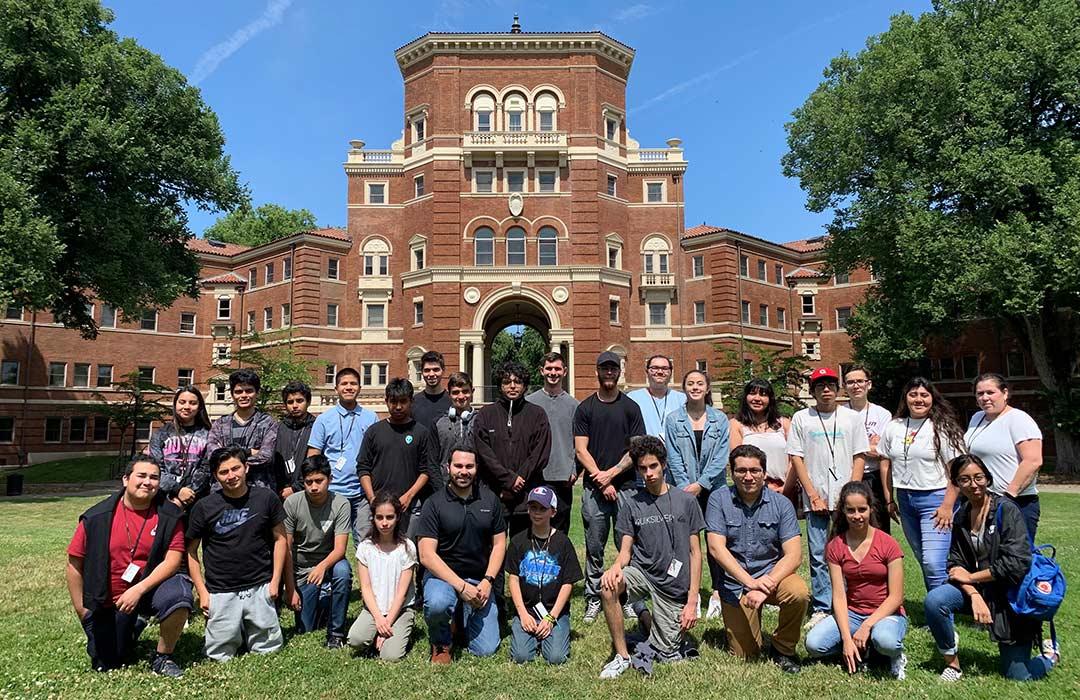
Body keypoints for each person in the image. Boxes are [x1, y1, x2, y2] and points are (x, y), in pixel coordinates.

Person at [924, 454, 1059, 682]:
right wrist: (974, 594)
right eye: (964, 479)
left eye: (978, 477)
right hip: (980, 589)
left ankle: (1050, 655)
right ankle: (953, 666)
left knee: (1019, 676)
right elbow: (955, 564)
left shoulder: (1006, 510)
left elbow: (1016, 564)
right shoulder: (962, 514)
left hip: (1011, 595)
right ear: (956, 484)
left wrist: (972, 577)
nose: (973, 484)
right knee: (936, 600)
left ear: (987, 478)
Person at [65, 455, 191, 677]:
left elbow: (173, 561)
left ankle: (162, 657)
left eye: (154, 477)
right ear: (125, 479)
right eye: (141, 475)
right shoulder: (97, 517)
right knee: (108, 661)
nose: (147, 482)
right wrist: (83, 612)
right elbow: (74, 564)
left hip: (151, 588)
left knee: (179, 597)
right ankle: (132, 625)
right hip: (112, 598)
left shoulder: (170, 515)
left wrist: (138, 589)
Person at [598, 436, 704, 678]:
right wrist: (615, 568)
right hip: (642, 573)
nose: (649, 473)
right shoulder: (632, 505)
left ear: (664, 464)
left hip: (674, 585)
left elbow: (695, 553)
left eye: (653, 466)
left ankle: (643, 613)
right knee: (608, 587)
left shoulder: (686, 501)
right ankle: (622, 656)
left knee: (668, 653)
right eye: (643, 468)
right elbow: (625, 551)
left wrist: (692, 601)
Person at [705, 444, 807, 674]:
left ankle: (783, 648)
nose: (748, 476)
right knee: (747, 654)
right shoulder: (718, 500)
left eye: (754, 470)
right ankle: (749, 627)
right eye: (741, 470)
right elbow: (715, 548)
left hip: (772, 577)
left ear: (764, 473)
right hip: (735, 584)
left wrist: (764, 585)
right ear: (731, 472)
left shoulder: (781, 504)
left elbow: (794, 555)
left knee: (798, 592)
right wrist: (750, 583)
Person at [185, 446, 287, 661]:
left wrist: (275, 581)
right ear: (215, 476)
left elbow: (280, 539)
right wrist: (203, 592)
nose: (231, 476)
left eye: (235, 468)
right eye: (224, 472)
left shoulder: (266, 498)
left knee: (269, 650)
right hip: (221, 589)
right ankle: (232, 629)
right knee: (218, 655)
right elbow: (191, 552)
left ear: (246, 467)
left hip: (260, 585)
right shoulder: (204, 507)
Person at [788, 367, 869, 627]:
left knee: (851, 551)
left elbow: (859, 456)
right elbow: (797, 458)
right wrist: (812, 495)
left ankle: (851, 601)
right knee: (820, 555)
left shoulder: (851, 418)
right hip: (817, 500)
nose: (826, 390)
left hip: (846, 500)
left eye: (830, 385)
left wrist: (851, 496)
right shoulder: (802, 418)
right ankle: (823, 606)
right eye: (820, 386)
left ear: (837, 389)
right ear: (812, 391)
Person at [805, 481, 908, 679]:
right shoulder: (836, 545)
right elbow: (839, 596)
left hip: (886, 613)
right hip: (853, 612)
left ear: (871, 509)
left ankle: (893, 653)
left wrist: (867, 626)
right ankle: (859, 648)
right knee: (813, 644)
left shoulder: (888, 544)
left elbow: (896, 597)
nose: (857, 516)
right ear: (842, 511)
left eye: (862, 509)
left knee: (885, 640)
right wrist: (846, 638)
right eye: (850, 510)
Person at [416, 445, 507, 663]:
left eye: (469, 466)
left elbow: (499, 544)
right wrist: (461, 586)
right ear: (448, 468)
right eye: (458, 466)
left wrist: (487, 581)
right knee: (438, 603)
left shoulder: (490, 500)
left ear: (477, 468)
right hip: (443, 578)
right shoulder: (434, 503)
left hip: (479, 579)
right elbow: (427, 555)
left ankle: (460, 617)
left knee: (484, 650)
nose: (463, 471)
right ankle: (441, 643)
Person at [574, 351, 646, 623]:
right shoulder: (586, 408)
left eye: (613, 368)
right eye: (604, 368)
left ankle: (626, 597)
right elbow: (581, 450)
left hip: (627, 488)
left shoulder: (630, 408)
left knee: (626, 545)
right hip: (594, 489)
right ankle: (593, 597)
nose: (609, 373)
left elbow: (636, 448)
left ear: (619, 372)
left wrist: (612, 474)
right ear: (597, 371)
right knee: (594, 547)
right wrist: (600, 479)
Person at [879, 377, 965, 592]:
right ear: (905, 398)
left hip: (935, 500)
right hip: (906, 499)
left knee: (933, 562)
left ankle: (943, 617)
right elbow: (885, 462)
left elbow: (957, 471)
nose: (919, 400)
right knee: (922, 557)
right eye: (913, 394)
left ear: (932, 399)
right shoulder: (894, 426)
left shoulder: (941, 427)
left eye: (924, 395)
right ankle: (940, 604)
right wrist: (889, 499)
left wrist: (947, 506)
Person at [664, 369, 730, 620]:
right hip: (682, 490)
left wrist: (701, 484)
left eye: (700, 383)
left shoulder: (719, 419)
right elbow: (672, 457)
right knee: (684, 543)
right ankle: (688, 592)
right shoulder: (673, 420)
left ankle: (717, 592)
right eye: (690, 383)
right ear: (684, 388)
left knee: (716, 542)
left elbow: (721, 456)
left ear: (707, 388)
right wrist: (685, 486)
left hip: (713, 490)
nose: (695, 387)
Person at [505, 486, 582, 664]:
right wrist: (523, 614)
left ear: (553, 512)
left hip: (554, 612)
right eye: (533, 508)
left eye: (542, 509)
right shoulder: (518, 541)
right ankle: (531, 635)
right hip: (527, 610)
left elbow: (567, 583)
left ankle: (550, 634)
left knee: (556, 658)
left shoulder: (563, 542)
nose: (537, 513)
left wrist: (551, 617)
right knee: (521, 657)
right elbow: (514, 578)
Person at [964, 373, 1044, 544]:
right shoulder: (977, 418)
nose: (985, 398)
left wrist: (1007, 498)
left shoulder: (1018, 419)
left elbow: (1033, 461)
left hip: (1015, 503)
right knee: (985, 558)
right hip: (981, 502)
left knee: (1015, 560)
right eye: (980, 393)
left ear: (1005, 393)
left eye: (990, 392)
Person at [475, 361, 552, 536]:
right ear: (500, 385)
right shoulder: (486, 414)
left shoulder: (537, 414)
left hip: (526, 495)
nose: (512, 386)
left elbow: (540, 453)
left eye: (517, 382)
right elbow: (483, 452)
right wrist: (508, 480)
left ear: (525, 386)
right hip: (494, 493)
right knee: (493, 549)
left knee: (523, 549)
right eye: (506, 382)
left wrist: (519, 479)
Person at [283, 456, 352, 648]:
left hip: (328, 563)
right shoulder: (292, 503)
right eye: (309, 482)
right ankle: (323, 598)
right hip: (301, 569)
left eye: (319, 481)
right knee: (306, 628)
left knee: (343, 571)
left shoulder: (341, 504)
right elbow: (286, 549)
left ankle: (336, 633)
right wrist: (290, 590)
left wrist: (322, 567)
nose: (314, 487)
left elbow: (340, 549)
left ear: (329, 479)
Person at [357, 378, 438, 536]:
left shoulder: (421, 433)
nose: (398, 407)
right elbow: (363, 468)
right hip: (376, 503)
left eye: (403, 401)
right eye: (393, 402)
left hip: (409, 505)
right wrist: (372, 498)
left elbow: (425, 470)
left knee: (407, 553)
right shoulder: (374, 432)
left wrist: (409, 496)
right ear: (386, 401)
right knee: (369, 551)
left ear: (411, 401)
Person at [308, 367, 379, 545]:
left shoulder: (371, 418)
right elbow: (313, 455)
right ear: (336, 388)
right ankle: (336, 573)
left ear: (359, 388)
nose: (349, 387)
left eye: (353, 383)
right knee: (327, 542)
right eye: (344, 384)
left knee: (365, 542)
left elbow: (377, 455)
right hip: (332, 493)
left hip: (362, 493)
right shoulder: (324, 419)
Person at [348, 491, 418, 662]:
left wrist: (386, 624)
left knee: (390, 656)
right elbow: (365, 587)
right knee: (355, 639)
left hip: (400, 610)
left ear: (397, 518)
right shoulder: (365, 547)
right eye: (379, 517)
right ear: (373, 518)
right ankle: (375, 636)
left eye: (389, 517)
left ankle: (399, 633)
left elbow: (401, 594)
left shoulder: (407, 548)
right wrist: (380, 620)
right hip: (375, 609)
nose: (384, 523)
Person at [526, 352, 580, 534]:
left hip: (563, 477)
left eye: (557, 368)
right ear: (541, 371)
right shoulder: (529, 403)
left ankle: (558, 562)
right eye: (549, 368)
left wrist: (574, 470)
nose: (553, 372)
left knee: (561, 528)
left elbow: (579, 443)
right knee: (535, 525)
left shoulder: (575, 406)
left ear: (564, 371)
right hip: (536, 475)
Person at [206, 369, 277, 490]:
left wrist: (229, 456)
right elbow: (213, 456)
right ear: (232, 394)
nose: (244, 395)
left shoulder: (268, 423)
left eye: (249, 391)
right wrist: (250, 452)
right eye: (238, 392)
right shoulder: (219, 425)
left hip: (258, 488)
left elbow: (266, 457)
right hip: (224, 490)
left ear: (257, 393)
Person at [843, 367, 894, 534]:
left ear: (869, 384)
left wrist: (854, 446)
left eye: (860, 381)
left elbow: (884, 451)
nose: (855, 386)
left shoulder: (882, 414)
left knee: (879, 526)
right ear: (844, 386)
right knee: (848, 526)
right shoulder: (839, 413)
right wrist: (869, 446)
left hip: (875, 477)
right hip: (846, 475)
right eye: (850, 382)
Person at [148, 386, 212, 510]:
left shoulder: (209, 434)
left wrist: (189, 492)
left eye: (193, 403)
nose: (187, 407)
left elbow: (206, 469)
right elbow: (156, 468)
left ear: (199, 407)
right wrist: (177, 491)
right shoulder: (161, 434)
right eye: (182, 402)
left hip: (197, 499)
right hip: (165, 498)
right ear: (175, 405)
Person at [729, 378, 792, 490]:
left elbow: (795, 459)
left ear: (770, 399)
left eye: (763, 395)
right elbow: (738, 460)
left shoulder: (785, 424)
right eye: (752, 393)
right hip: (752, 487)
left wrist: (786, 486)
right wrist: (765, 484)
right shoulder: (736, 424)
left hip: (785, 487)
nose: (757, 398)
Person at [627, 354, 687, 441]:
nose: (659, 372)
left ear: (671, 372)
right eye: (654, 368)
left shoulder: (682, 400)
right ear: (647, 371)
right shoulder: (633, 398)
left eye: (665, 368)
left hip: (675, 452)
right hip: (644, 452)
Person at [274, 380, 316, 499]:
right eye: (290, 402)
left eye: (299, 401)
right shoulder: (279, 428)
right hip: (281, 492)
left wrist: (296, 488)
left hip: (308, 491)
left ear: (308, 402)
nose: (295, 405)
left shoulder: (317, 427)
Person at [434, 371, 476, 489]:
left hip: (475, 487)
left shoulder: (481, 422)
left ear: (472, 392)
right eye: (456, 392)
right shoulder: (439, 423)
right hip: (445, 487)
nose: (461, 396)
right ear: (449, 394)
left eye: (465, 391)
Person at [412, 350, 451, 433]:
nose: (431, 374)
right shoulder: (413, 402)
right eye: (427, 370)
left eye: (436, 369)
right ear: (422, 372)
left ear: (443, 371)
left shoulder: (452, 402)